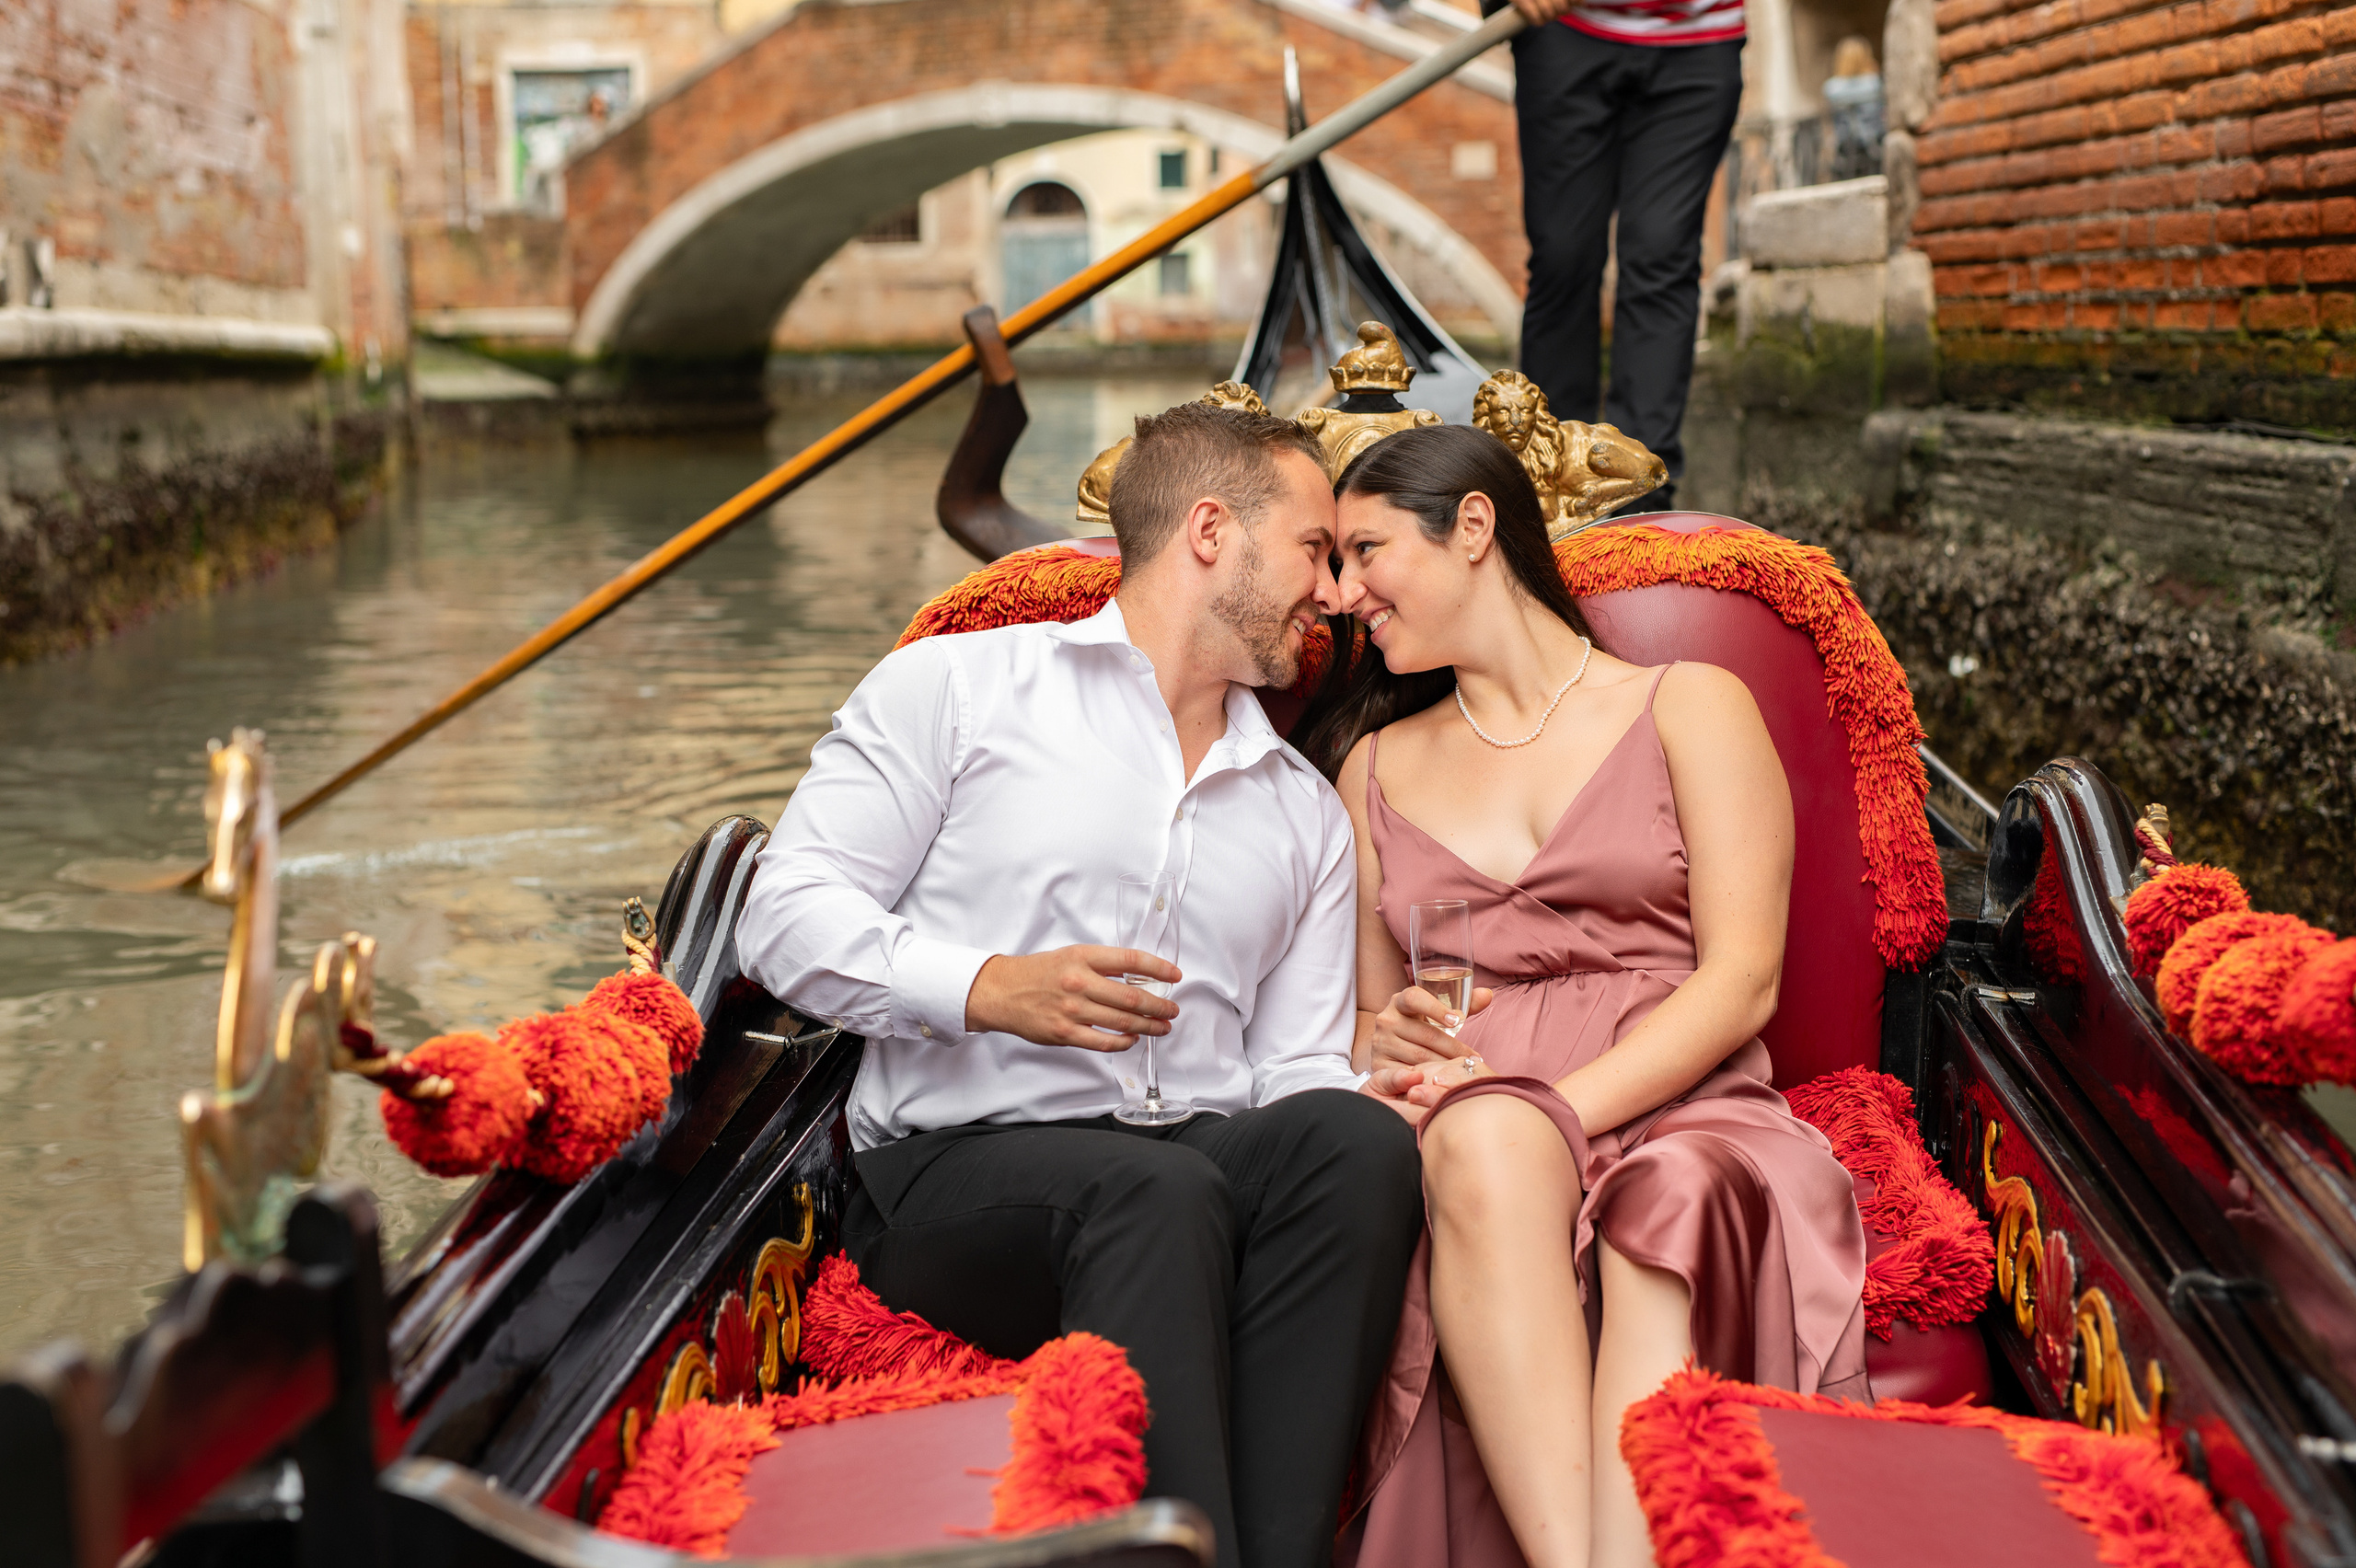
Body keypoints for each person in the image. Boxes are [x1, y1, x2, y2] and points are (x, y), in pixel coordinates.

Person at [735, 401, 1426, 1568]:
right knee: (1151, 1198)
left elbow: (1294, 1067)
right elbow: (780, 918)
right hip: (952, 1173)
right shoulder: (956, 690)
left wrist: (1377, 1090)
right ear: (1211, 530)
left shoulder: (1304, 809)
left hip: (1188, 1158)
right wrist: (986, 987)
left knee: (1351, 1149)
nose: (1336, 592)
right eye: (1315, 549)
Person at [1294, 423, 1866, 1568]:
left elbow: (1743, 982)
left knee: (1671, 1190)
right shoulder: (1367, 767)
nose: (1342, 593)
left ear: (1471, 528)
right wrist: (1386, 1031)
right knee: (1487, 1141)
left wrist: (1558, 1106)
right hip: (1482, 1116)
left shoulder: (1687, 703)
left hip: (1684, 1098)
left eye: (1363, 552)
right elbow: (1363, 1019)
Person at [1496, 0, 1746, 512]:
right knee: (1564, 255)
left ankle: (1642, 498)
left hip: (1698, 39)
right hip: (1567, 30)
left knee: (1662, 252)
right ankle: (1544, 489)